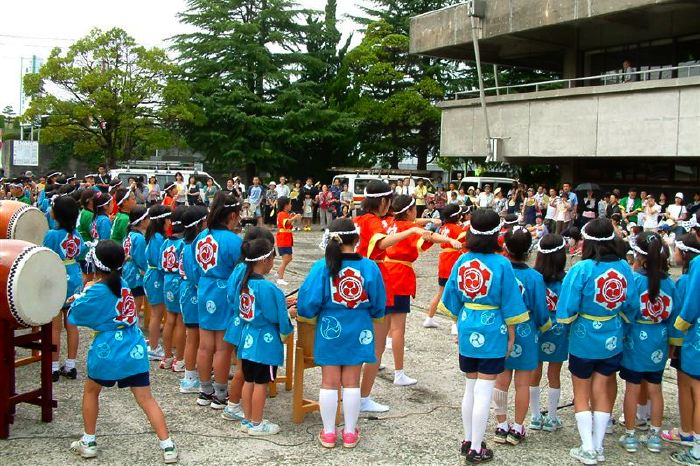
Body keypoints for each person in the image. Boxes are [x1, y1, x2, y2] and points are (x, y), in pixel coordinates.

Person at [66, 240, 177, 463]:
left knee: (91, 391)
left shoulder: (97, 289)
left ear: (97, 267)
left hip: (107, 348)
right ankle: (168, 446)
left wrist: (79, 297)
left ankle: (88, 441)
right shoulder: (123, 283)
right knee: (146, 398)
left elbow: (75, 314)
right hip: (133, 345)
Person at [440, 208, 527, 464]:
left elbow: (451, 298)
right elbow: (511, 303)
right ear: (497, 233)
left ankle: (468, 438)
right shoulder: (502, 263)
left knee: (470, 386)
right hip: (493, 328)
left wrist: (458, 326)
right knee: (484, 389)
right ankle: (476, 448)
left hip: (468, 323)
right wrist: (511, 335)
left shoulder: (462, 260)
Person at [298, 218, 386, 448]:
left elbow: (307, 302)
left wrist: (309, 314)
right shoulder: (369, 267)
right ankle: (349, 432)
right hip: (359, 327)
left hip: (329, 327)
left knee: (329, 381)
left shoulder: (322, 267)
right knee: (351, 381)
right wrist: (374, 314)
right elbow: (379, 303)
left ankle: (328, 433)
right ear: (356, 239)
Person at [556, 218, 637, 465]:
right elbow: (632, 305)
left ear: (588, 240)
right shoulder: (624, 267)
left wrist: (565, 320)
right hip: (612, 334)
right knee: (602, 388)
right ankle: (599, 445)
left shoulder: (583, 269)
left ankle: (587, 447)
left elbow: (567, 307)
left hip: (584, 335)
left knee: (581, 391)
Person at [353, 180, 428, 413]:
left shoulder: (358, 219)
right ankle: (363, 397)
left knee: (358, 341)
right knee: (376, 345)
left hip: (354, 278)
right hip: (374, 278)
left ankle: (350, 392)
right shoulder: (374, 221)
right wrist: (413, 229)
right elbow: (382, 242)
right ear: (384, 201)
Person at [384, 196, 461, 386]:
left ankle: (375, 362)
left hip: (384, 274)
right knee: (398, 330)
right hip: (400, 276)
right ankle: (399, 373)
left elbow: (414, 224)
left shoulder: (389, 223)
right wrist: (450, 240)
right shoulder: (410, 230)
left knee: (382, 326)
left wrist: (428, 220)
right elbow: (431, 237)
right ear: (409, 211)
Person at [493, 227, 551, 446]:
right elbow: (541, 309)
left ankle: (501, 425)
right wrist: (543, 326)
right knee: (523, 384)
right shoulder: (535, 277)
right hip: (526, 330)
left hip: (503, 328)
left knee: (501, 379)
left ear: (505, 247)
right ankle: (517, 427)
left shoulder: (501, 270)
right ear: (530, 250)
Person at [618, 231, 675, 454]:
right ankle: (655, 436)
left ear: (639, 256)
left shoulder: (635, 280)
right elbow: (674, 313)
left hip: (635, 337)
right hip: (659, 338)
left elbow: (627, 309)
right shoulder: (670, 282)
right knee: (655, 389)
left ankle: (631, 434)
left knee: (632, 388)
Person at [236, 238, 294, 435]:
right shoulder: (269, 288)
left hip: (247, 338)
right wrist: (287, 320)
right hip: (265, 342)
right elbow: (277, 317)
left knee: (249, 381)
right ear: (265, 260)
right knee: (261, 383)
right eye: (272, 259)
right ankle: (257, 422)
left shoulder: (244, 282)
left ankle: (247, 419)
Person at [222, 227, 276, 424]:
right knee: (244, 372)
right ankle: (234, 406)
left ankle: (237, 406)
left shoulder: (241, 269)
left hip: (241, 322)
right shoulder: (245, 272)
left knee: (244, 370)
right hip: (246, 325)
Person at [194, 192, 242, 409]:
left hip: (204, 289)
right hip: (225, 292)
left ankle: (205, 390)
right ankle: (221, 393)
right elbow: (241, 273)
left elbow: (191, 267)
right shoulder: (233, 241)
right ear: (232, 215)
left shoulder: (201, 237)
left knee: (205, 345)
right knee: (223, 348)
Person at [662, 234, 700, 447]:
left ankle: (688, 432)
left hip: (691, 338)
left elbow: (685, 309)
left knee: (689, 386)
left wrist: (675, 337)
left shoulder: (687, 279)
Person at [44, 196, 85, 381]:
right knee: (72, 324)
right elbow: (82, 252)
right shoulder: (77, 235)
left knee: (54, 327)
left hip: (57, 275)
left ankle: (52, 366)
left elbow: (44, 255)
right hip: (74, 276)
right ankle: (70, 365)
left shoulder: (52, 235)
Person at [530, 234, 569, 432]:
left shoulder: (534, 277)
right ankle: (552, 417)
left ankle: (535, 416)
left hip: (537, 326)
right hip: (559, 329)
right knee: (555, 373)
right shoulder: (566, 279)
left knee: (534, 371)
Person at [672, 232, 700, 465]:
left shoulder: (693, 271)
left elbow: (689, 305)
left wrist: (678, 331)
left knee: (693, 388)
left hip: (693, 335)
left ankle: (692, 439)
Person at [178, 207, 208, 394]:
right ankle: (190, 377)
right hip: (193, 292)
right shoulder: (193, 247)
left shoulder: (184, 244)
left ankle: (191, 374)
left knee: (193, 336)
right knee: (195, 336)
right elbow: (196, 274)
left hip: (186, 290)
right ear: (199, 225)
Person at [424, 204, 466, 330]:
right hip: (453, 260)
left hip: (443, 260)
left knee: (440, 292)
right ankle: (454, 323)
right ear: (457, 216)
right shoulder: (458, 229)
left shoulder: (443, 228)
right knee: (456, 293)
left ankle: (429, 318)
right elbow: (465, 244)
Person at [159, 207, 186, 372]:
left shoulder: (166, 242)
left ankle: (167, 356)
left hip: (167, 280)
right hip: (179, 280)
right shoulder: (183, 244)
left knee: (170, 319)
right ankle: (180, 358)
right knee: (181, 321)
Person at [144, 205, 172, 361]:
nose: (170, 222)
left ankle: (153, 344)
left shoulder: (155, 236)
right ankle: (154, 347)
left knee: (157, 312)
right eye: (168, 219)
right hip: (156, 276)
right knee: (157, 313)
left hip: (154, 275)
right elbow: (159, 261)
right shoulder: (158, 239)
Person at [123, 206, 149, 334]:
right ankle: (133, 332)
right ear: (142, 220)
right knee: (136, 306)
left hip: (128, 270)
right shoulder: (139, 238)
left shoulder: (130, 234)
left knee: (130, 303)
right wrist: (146, 269)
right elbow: (141, 258)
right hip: (136, 273)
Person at [275, 197, 301, 286]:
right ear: (285, 205)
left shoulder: (285, 214)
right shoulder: (281, 214)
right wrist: (294, 218)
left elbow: (289, 224)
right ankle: (280, 277)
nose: (291, 205)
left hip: (287, 238)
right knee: (286, 258)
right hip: (283, 239)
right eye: (290, 204)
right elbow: (286, 223)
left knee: (289, 258)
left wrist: (293, 218)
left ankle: (279, 271)